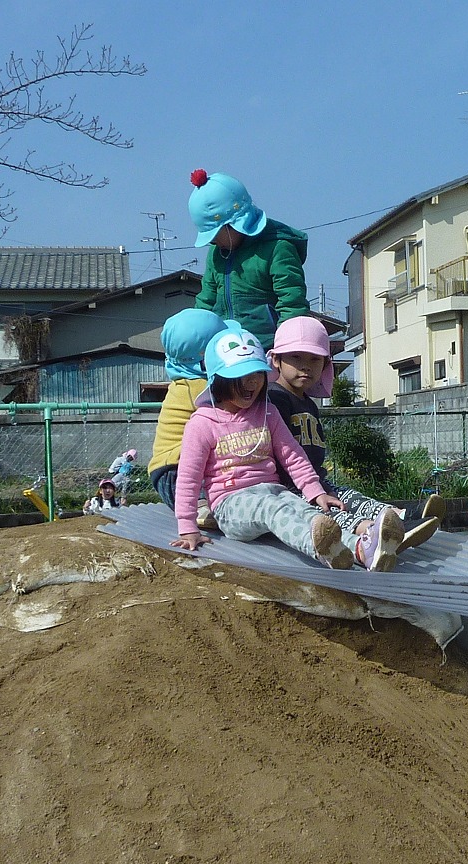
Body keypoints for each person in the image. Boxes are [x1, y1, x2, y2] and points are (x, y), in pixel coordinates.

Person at [172, 323, 402, 571]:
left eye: (257, 374)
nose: (252, 381)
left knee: (310, 514)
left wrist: (315, 491)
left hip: (274, 491)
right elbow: (188, 479)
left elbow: (292, 454)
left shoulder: (267, 413)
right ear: (219, 380)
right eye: (241, 376)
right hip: (231, 504)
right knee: (273, 509)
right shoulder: (203, 423)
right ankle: (321, 550)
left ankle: (360, 549)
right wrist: (188, 528)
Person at [266, 315, 444, 553]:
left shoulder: (308, 402)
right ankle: (374, 532)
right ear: (276, 360)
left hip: (317, 481)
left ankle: (401, 517)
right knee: (329, 513)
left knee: (350, 496)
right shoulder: (274, 399)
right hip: (290, 488)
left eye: (314, 359)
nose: (306, 366)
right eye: (296, 358)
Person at [188, 168, 309, 350]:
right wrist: (197, 339)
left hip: (267, 350)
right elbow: (205, 303)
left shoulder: (277, 247)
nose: (211, 241)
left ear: (233, 225)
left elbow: (292, 303)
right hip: (227, 351)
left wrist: (286, 349)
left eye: (213, 234)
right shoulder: (216, 254)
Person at [148, 308, 228, 510]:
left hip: (175, 467)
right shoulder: (201, 388)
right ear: (205, 358)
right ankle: (201, 508)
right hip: (174, 469)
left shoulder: (185, 380)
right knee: (197, 495)